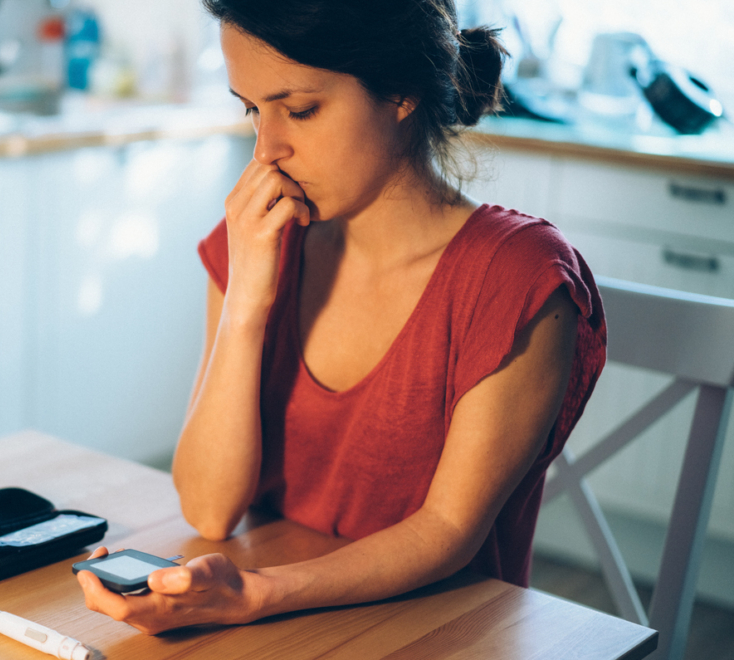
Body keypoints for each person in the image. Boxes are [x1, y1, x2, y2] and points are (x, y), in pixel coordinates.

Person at [76, 0, 606, 635]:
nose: (266, 151)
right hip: (275, 628)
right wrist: (245, 302)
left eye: (300, 110)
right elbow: (210, 510)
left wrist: (256, 593)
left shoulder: (518, 277)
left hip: (437, 633)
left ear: (401, 89)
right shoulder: (260, 242)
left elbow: (447, 530)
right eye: (252, 109)